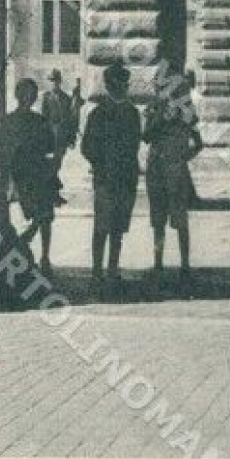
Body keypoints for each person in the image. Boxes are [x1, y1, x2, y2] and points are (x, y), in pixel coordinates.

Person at [80, 62, 141, 296]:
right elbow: (87, 147)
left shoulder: (133, 113)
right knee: (102, 226)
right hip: (105, 179)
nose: (121, 89)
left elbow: (134, 145)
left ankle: (112, 271)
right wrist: (102, 163)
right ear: (108, 86)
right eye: (116, 85)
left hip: (125, 179)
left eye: (123, 84)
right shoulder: (98, 114)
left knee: (118, 227)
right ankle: (97, 272)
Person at [143, 64, 203, 296]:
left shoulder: (186, 111)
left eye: (161, 86)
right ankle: (158, 263)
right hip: (157, 170)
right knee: (158, 219)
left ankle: (185, 264)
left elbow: (199, 143)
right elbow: (145, 136)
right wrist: (157, 117)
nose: (158, 90)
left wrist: (183, 157)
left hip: (172, 170)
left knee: (180, 220)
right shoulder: (153, 109)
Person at [8, 78, 59, 272]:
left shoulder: (39, 121)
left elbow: (50, 146)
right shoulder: (8, 122)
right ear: (18, 95)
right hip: (18, 175)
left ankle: (45, 257)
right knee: (22, 216)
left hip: (38, 174)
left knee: (45, 216)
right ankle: (21, 249)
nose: (28, 98)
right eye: (25, 94)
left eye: (31, 94)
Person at [42, 70, 78, 206]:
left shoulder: (66, 98)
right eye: (52, 81)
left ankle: (54, 194)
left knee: (58, 165)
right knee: (53, 165)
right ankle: (53, 195)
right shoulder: (46, 97)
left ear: (60, 82)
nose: (54, 84)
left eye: (56, 81)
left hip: (62, 135)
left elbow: (70, 119)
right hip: (51, 135)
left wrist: (71, 138)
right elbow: (44, 118)